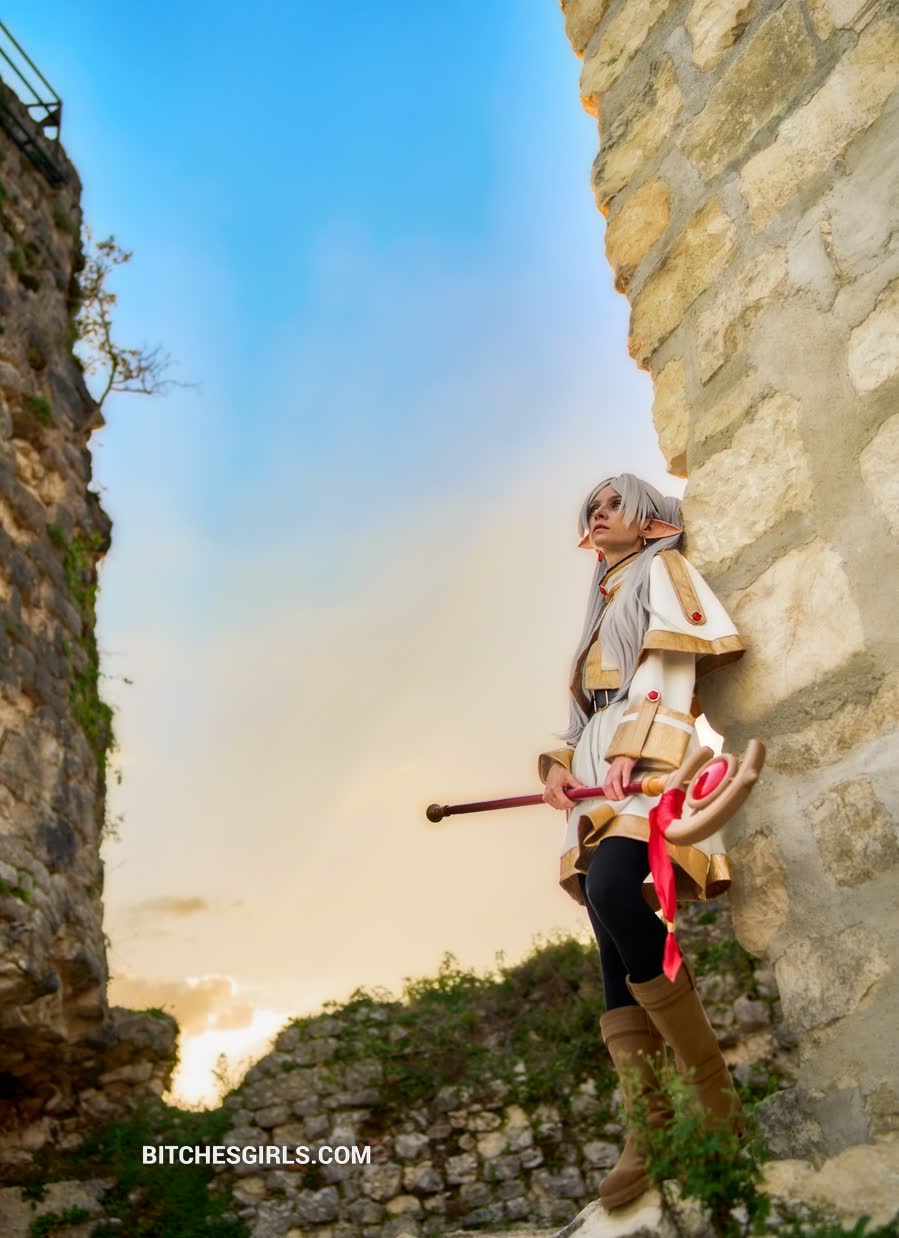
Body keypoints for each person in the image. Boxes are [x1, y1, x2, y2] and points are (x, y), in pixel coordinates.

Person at [538, 472, 747, 1212]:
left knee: (612, 890)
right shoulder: (602, 597)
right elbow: (584, 704)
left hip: (649, 754)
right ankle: (648, 1125)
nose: (597, 514)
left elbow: (668, 666)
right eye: (591, 508)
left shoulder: (663, 569)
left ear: (654, 523)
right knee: (605, 932)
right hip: (601, 761)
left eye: (613, 504)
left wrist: (635, 746)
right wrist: (559, 765)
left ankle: (713, 1099)